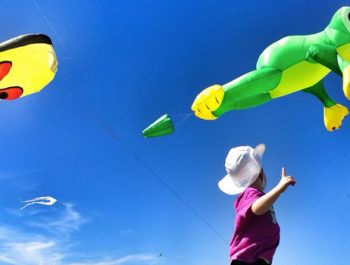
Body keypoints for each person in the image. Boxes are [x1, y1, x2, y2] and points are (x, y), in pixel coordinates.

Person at [218, 144, 296, 265]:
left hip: (257, 259)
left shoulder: (255, 195)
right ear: (260, 173)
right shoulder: (250, 193)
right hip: (247, 260)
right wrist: (279, 188)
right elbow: (256, 208)